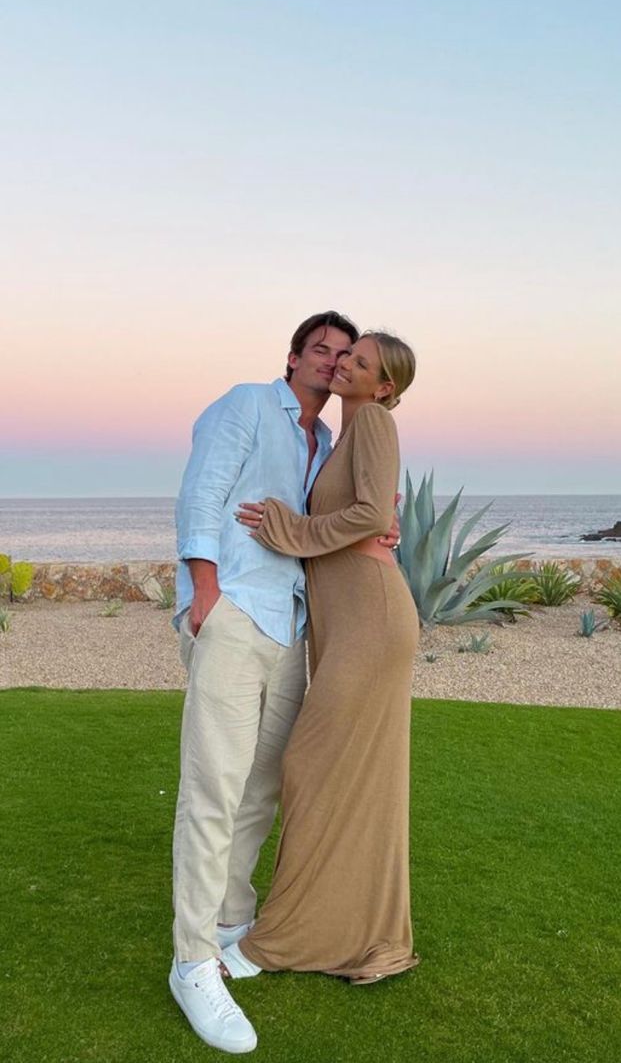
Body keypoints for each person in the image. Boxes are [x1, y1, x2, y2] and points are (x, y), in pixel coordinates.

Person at [169, 312, 397, 1054]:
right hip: (235, 609)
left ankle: (235, 915)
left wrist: (373, 526)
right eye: (322, 350)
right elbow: (202, 495)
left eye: (345, 354)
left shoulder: (329, 440)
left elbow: (347, 512)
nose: (333, 362)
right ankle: (193, 961)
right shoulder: (244, 404)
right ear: (294, 356)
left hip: (293, 626)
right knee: (213, 789)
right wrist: (205, 593)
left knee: (265, 784)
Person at [220, 331, 419, 986]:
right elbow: (369, 512)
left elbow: (366, 516)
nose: (345, 366)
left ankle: (289, 938)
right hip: (342, 622)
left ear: (383, 386)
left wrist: (291, 530)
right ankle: (348, 930)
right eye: (345, 355)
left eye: (361, 363)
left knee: (308, 763)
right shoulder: (343, 435)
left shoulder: (375, 427)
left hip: (370, 620)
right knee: (344, 778)